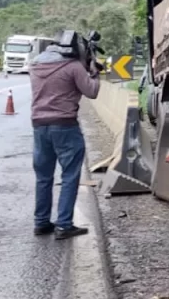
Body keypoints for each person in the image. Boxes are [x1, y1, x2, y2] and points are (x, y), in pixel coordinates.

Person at [29, 35, 100, 240]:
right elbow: (92, 91)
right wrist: (94, 73)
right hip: (65, 126)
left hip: (39, 126)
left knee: (43, 177)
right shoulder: (73, 67)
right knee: (69, 175)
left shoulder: (35, 65)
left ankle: (41, 223)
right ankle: (64, 225)